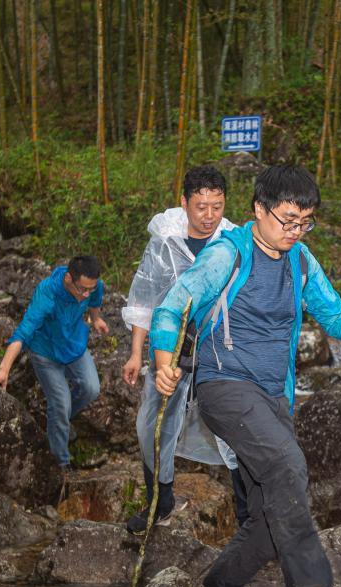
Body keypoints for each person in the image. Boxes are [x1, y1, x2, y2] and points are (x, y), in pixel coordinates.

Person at [149, 166, 341, 587]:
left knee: (271, 517)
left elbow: (338, 319)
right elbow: (174, 306)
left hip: (274, 398)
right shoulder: (228, 252)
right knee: (290, 467)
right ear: (258, 209)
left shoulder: (301, 261)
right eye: (288, 220)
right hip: (224, 386)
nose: (295, 232)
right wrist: (165, 361)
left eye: (305, 222)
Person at [120, 165, 247, 535]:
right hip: (171, 351)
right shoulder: (165, 241)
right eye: (201, 207)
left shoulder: (236, 243)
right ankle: (160, 500)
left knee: (236, 431)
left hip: (222, 354)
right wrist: (135, 352)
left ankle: (249, 516)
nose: (209, 216)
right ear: (184, 203)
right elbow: (145, 298)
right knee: (151, 427)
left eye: (217, 206)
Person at [0, 255, 109, 471]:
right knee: (61, 404)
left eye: (89, 289)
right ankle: (60, 463)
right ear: (68, 279)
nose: (85, 295)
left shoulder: (93, 286)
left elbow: (94, 301)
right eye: (82, 289)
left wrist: (97, 318)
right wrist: (3, 369)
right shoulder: (47, 293)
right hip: (45, 353)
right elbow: (23, 333)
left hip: (74, 346)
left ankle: (59, 422)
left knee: (91, 388)